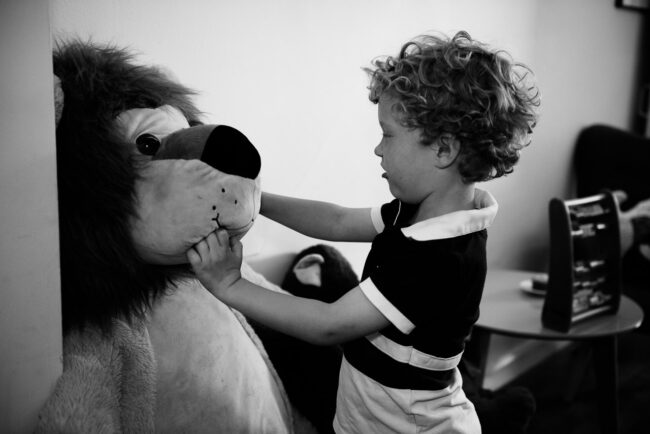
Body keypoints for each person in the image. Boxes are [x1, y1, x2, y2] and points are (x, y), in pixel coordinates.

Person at [188, 31, 540, 434]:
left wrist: (230, 284)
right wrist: (255, 199)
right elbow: (336, 221)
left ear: (443, 150)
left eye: (387, 135)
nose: (377, 149)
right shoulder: (419, 213)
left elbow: (329, 325)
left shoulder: (438, 258)